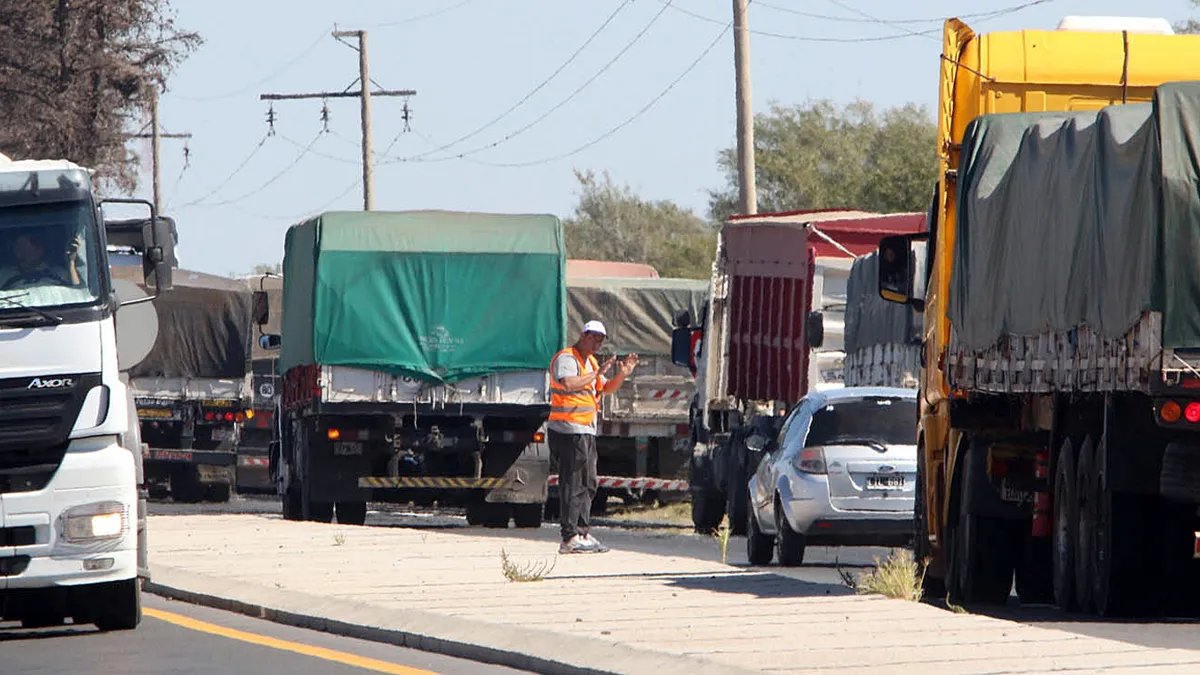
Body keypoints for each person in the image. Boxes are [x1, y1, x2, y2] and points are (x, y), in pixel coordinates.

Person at [548, 319, 638, 554]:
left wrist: (622, 374)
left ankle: (582, 532)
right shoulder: (567, 358)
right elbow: (568, 383)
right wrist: (596, 373)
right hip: (568, 429)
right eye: (594, 337)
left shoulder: (590, 362)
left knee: (588, 483)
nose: (598, 342)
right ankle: (569, 537)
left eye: (601, 339)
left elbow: (606, 388)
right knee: (573, 483)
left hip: (585, 430)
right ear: (583, 335)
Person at [0, 230, 81, 291]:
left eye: (23, 247)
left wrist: (71, 263)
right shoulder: (4, 275)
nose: (19, 252)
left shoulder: (60, 274)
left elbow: (79, 293)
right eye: (17, 246)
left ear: (40, 249)